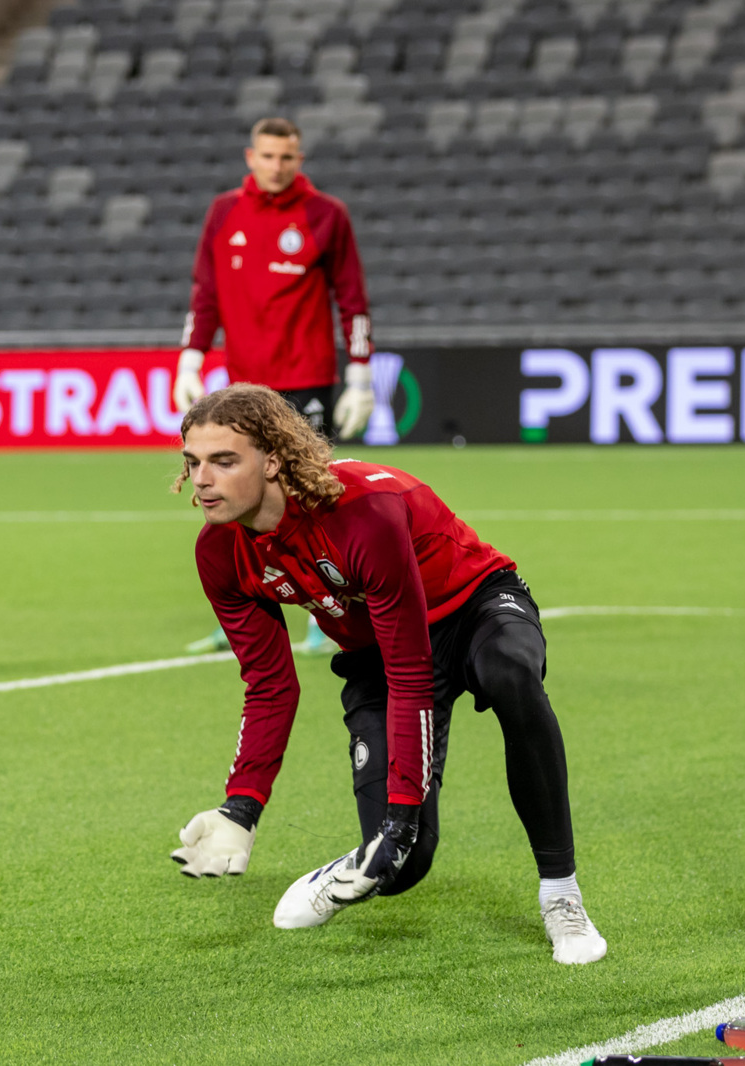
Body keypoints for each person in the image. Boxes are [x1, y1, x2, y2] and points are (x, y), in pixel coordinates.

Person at [166, 385, 607, 966]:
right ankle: (355, 863)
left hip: (471, 608)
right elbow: (271, 684)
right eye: (193, 462)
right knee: (401, 869)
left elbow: (412, 670)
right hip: (379, 648)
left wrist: (400, 818)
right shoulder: (219, 553)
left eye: (224, 461)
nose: (202, 479)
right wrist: (240, 809)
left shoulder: (359, 514)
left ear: (272, 460)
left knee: (511, 675)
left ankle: (561, 894)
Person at [175, 116, 375, 656]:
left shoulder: (325, 215)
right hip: (243, 386)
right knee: (234, 494)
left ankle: (325, 616)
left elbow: (352, 298)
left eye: (287, 157)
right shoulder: (224, 212)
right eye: (267, 156)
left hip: (307, 375)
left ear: (299, 159)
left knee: (308, 494)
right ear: (250, 157)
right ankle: (239, 613)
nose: (276, 167)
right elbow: (205, 292)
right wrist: (190, 356)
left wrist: (360, 372)